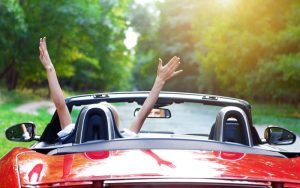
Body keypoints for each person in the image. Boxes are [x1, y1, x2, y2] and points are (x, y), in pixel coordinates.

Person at [39, 37, 182, 137]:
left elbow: (60, 105)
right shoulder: (124, 139)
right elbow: (144, 112)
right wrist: (160, 80)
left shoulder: (71, 136)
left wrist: (50, 68)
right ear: (115, 123)